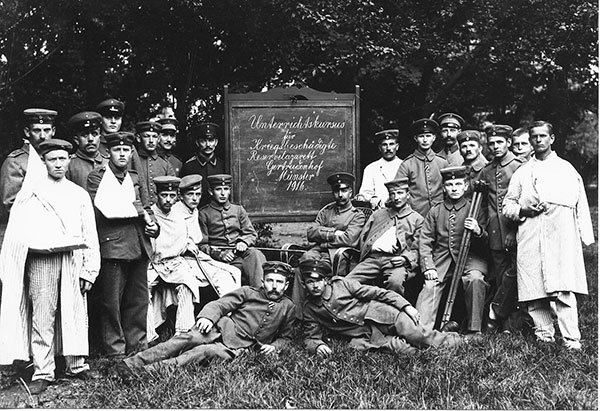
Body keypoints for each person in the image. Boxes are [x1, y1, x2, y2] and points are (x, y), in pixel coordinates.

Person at [0, 139, 101, 394]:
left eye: (62, 159)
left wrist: (89, 270)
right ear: (43, 162)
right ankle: (43, 370)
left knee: (75, 311)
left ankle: (76, 364)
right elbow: (17, 232)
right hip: (41, 260)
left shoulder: (78, 194)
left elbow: (90, 234)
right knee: (43, 314)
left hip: (72, 258)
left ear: (69, 160)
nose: (58, 164)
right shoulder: (31, 193)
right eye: (52, 159)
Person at [502, 121, 594, 350]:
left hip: (560, 235)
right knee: (533, 288)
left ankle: (571, 339)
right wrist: (523, 210)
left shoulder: (566, 169)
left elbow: (581, 202)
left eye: (543, 136)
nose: (538, 140)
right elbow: (507, 205)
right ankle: (544, 334)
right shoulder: (522, 173)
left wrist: (585, 235)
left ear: (551, 138)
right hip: (530, 233)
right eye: (534, 137)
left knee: (563, 287)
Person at [115, 261, 296, 375]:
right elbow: (221, 304)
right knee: (186, 339)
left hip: (242, 348)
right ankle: (130, 364)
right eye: (270, 281)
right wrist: (208, 318)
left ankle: (147, 372)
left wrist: (274, 346)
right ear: (263, 282)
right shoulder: (248, 292)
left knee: (204, 352)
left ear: (286, 285)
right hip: (221, 328)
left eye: (279, 282)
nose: (274, 286)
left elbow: (286, 338)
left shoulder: (288, 307)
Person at [86, 131, 160, 358]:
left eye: (126, 150)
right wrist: (139, 211)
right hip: (114, 247)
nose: (121, 154)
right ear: (108, 151)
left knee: (138, 300)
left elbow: (147, 207)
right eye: (117, 150)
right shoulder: (97, 177)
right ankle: (115, 350)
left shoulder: (135, 177)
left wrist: (154, 226)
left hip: (139, 244)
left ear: (131, 152)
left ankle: (137, 346)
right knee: (111, 303)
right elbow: (107, 208)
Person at [300, 259, 462, 356]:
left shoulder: (341, 285)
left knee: (419, 337)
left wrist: (406, 306)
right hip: (368, 333)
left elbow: (379, 293)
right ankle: (442, 334)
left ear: (325, 280)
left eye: (318, 280)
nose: (315, 286)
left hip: (385, 315)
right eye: (310, 282)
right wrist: (318, 345)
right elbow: (310, 337)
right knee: (404, 350)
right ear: (304, 284)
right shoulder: (310, 308)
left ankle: (459, 340)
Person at [147, 176, 241, 342]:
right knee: (145, 288)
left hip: (178, 260)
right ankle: (149, 336)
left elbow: (185, 239)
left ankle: (187, 333)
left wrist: (188, 246)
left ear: (176, 196)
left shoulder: (181, 214)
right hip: (155, 263)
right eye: (164, 195)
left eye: (171, 196)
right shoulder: (153, 215)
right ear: (157, 195)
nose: (168, 200)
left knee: (198, 281)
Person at [415, 166, 489, 334]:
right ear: (444, 188)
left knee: (475, 280)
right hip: (442, 260)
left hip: (470, 258)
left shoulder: (475, 208)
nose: (454, 188)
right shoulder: (436, 210)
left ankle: (474, 330)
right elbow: (425, 240)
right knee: (430, 286)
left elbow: (486, 243)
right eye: (449, 185)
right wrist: (428, 267)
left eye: (458, 184)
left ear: (466, 186)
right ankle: (421, 331)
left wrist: (478, 231)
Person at [291, 172, 366, 317]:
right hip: (318, 252)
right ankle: (297, 315)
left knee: (314, 270)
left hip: (338, 256)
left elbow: (349, 239)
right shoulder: (326, 211)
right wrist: (334, 233)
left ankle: (323, 313)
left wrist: (323, 239)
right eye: (337, 191)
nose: (340, 195)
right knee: (301, 268)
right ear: (333, 192)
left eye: (344, 190)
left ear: (350, 192)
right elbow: (311, 232)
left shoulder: (357, 215)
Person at [480, 124, 526, 332]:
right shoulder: (487, 170)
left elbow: (523, 200)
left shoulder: (520, 166)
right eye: (491, 143)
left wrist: (513, 230)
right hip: (495, 232)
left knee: (516, 274)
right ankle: (505, 324)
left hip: (517, 229)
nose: (495, 146)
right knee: (500, 275)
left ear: (508, 142)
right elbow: (483, 203)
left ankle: (499, 312)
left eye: (500, 142)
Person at [345, 178, 423, 298]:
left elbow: (419, 248)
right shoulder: (378, 215)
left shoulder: (416, 219)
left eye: (400, 193)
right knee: (346, 283)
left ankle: (394, 309)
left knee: (395, 283)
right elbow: (363, 238)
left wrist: (405, 259)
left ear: (408, 195)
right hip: (372, 259)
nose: (396, 197)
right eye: (392, 194)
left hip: (397, 262)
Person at [198, 174, 266, 287]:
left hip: (240, 254)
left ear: (229, 190)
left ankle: (260, 292)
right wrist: (219, 254)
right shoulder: (204, 213)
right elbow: (202, 245)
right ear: (211, 191)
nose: (223, 193)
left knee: (256, 254)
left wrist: (243, 242)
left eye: (226, 189)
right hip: (219, 259)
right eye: (218, 189)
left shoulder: (238, 210)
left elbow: (250, 233)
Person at [0, 108, 57, 216]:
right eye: (37, 131)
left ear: (53, 131)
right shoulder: (15, 162)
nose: (42, 136)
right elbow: (11, 204)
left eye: (46, 130)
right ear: (27, 132)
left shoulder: (57, 158)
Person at [395, 118, 449, 217]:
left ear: (434, 138)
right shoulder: (407, 164)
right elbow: (398, 191)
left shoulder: (442, 163)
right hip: (416, 215)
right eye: (421, 136)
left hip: (440, 214)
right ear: (415, 138)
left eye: (428, 136)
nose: (425, 140)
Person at [180, 123, 225, 207]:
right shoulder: (188, 167)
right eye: (203, 141)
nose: (208, 145)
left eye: (211, 140)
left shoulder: (223, 165)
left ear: (216, 142)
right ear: (197, 143)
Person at [356, 129, 402, 209]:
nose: (388, 148)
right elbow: (364, 193)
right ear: (380, 148)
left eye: (391, 144)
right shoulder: (371, 168)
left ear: (397, 146)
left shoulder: (404, 166)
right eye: (384, 145)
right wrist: (373, 198)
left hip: (400, 210)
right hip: (379, 211)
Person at [135, 120, 176, 205]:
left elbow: (173, 190)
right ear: (138, 138)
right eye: (146, 136)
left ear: (158, 139)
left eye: (154, 136)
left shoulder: (165, 164)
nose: (151, 140)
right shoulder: (133, 160)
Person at [66, 111, 107, 188]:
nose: (90, 139)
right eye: (85, 135)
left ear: (99, 137)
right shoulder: (69, 165)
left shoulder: (108, 163)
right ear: (76, 140)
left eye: (94, 134)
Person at [457, 130, 488, 199]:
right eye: (464, 146)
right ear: (460, 151)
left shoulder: (488, 170)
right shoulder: (458, 172)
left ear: (480, 148)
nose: (468, 149)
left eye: (472, 145)